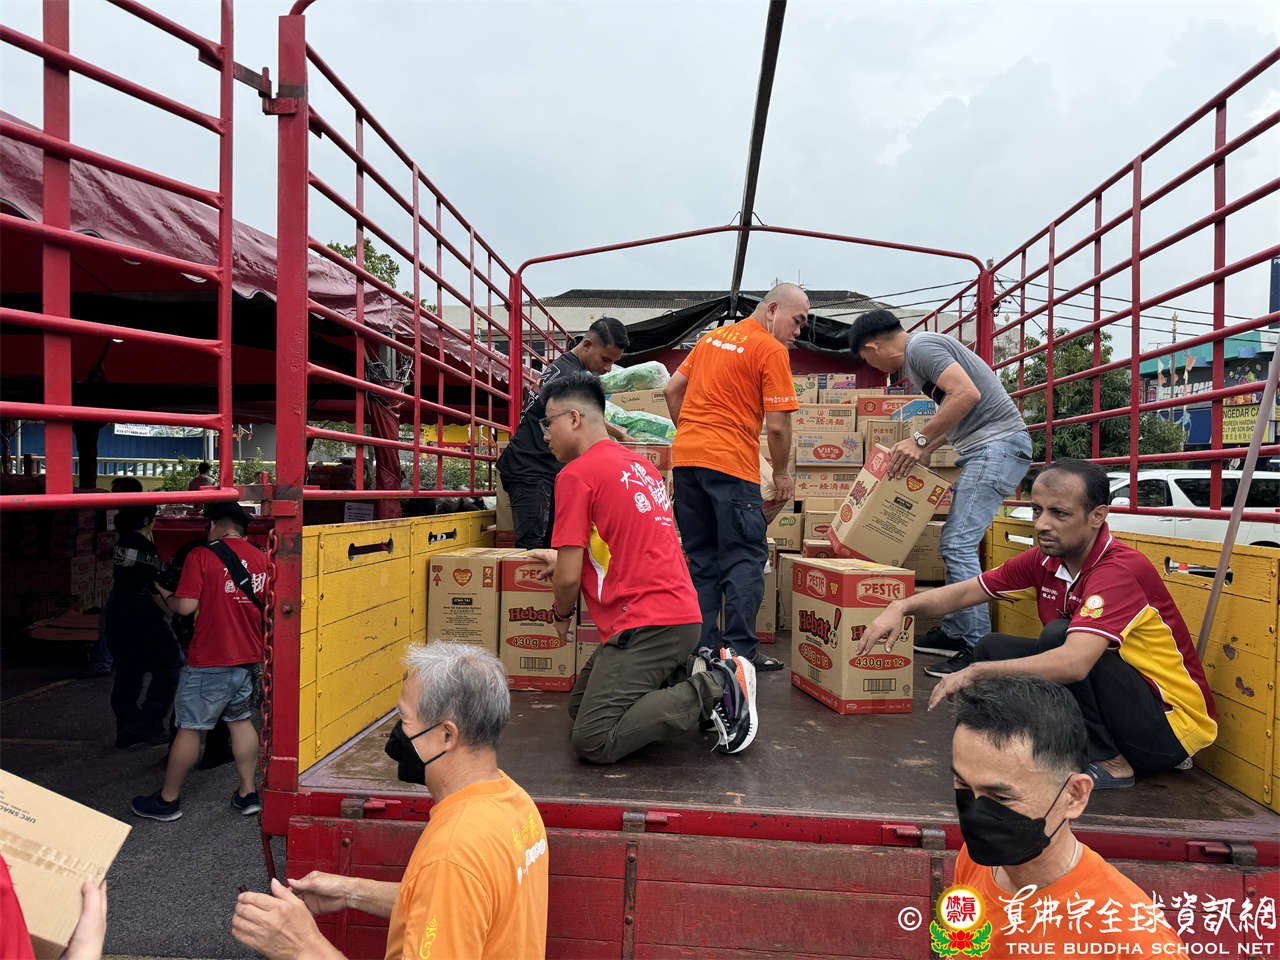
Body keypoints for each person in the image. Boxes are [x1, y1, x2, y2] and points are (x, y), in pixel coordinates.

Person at [860, 459, 1217, 788]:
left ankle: (1111, 762)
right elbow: (968, 591)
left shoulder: (1119, 570)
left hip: (1166, 729)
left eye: (1059, 513)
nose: (1042, 524)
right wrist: (901, 606)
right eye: (1037, 510)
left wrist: (977, 672)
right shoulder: (1047, 560)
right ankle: (1039, 746)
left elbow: (1074, 664)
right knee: (993, 647)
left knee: (1058, 638)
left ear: (1097, 516)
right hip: (1121, 710)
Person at [230, 642, 548, 960]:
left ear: (447, 735)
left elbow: (450, 882)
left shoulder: (453, 852)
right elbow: (450, 902)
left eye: (404, 719)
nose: (394, 733)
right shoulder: (516, 803)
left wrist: (304, 947)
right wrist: (350, 892)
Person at [525, 373, 758, 762]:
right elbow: (627, 541)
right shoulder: (639, 466)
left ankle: (719, 683)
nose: (545, 435)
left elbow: (567, 581)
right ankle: (686, 672)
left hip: (647, 624)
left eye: (548, 423)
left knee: (594, 738)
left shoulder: (576, 475)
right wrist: (565, 557)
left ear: (574, 419)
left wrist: (561, 615)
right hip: (678, 615)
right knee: (579, 709)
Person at [849, 309, 1032, 676]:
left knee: (958, 544)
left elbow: (966, 393)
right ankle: (954, 633)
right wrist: (927, 447)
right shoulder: (921, 356)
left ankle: (977, 647)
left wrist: (919, 439)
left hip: (996, 447)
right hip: (989, 448)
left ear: (871, 348)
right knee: (955, 542)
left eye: (866, 360)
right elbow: (959, 409)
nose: (873, 367)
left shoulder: (921, 348)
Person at [947, 675, 1185, 956]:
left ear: (1075, 795)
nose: (976, 815)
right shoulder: (975, 860)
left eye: (1001, 798)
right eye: (963, 785)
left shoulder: (1136, 944)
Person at [665, 283, 808, 672]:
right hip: (731, 467)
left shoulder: (710, 340)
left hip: (687, 465)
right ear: (772, 309)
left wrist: (692, 435)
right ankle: (741, 653)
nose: (798, 331)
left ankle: (703, 649)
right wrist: (781, 472)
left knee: (702, 560)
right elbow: (777, 425)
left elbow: (672, 389)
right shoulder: (769, 349)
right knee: (744, 557)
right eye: (797, 321)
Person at [133, 501, 268, 821]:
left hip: (210, 658)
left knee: (190, 728)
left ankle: (168, 800)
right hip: (249, 655)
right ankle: (248, 793)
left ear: (213, 526)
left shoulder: (201, 555)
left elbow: (185, 607)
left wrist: (163, 594)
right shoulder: (262, 558)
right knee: (241, 722)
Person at [497, 317, 632, 549]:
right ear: (587, 345)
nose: (608, 368)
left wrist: (618, 434)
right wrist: (619, 438)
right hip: (530, 469)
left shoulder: (566, 367)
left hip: (543, 469)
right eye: (605, 359)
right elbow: (585, 417)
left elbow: (584, 412)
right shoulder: (569, 377)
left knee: (551, 547)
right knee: (533, 550)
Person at [104, 505, 181, 748]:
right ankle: (150, 723)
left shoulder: (122, 542)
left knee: (128, 672)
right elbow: (152, 586)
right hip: (143, 617)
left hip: (118, 614)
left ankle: (127, 729)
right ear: (147, 520)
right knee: (170, 666)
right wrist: (171, 612)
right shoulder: (143, 546)